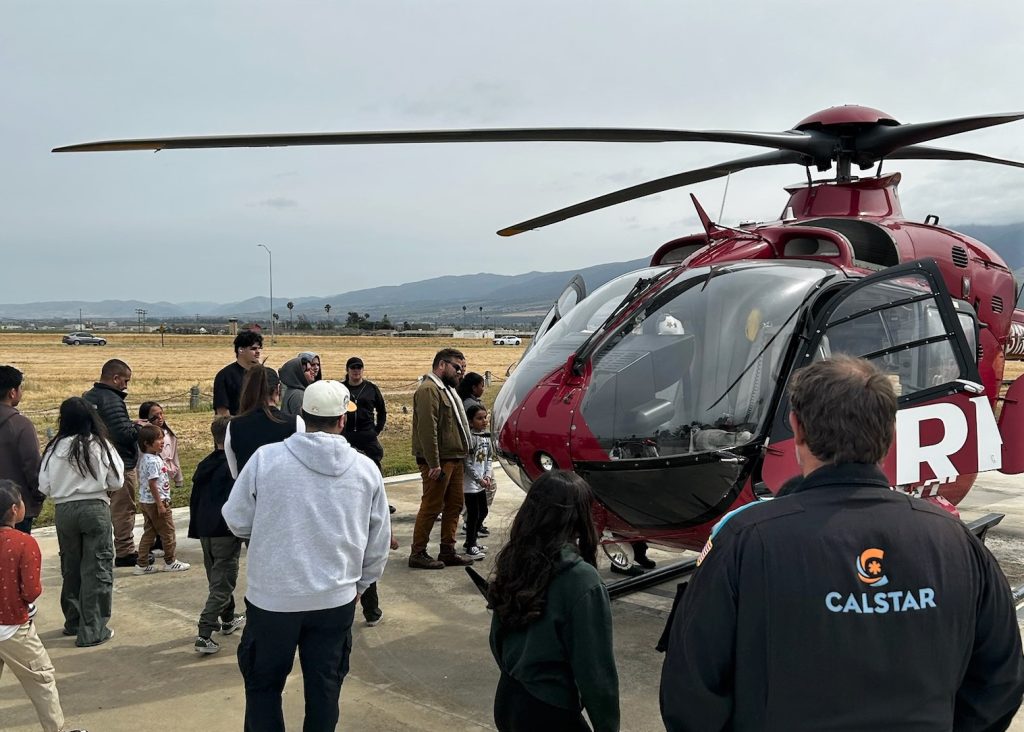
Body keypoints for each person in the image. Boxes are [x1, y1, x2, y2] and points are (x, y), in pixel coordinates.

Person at [659, 355, 1024, 731]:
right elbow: (1000, 679)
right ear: (891, 433)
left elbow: (690, 691)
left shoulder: (744, 541)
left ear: (797, 428)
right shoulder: (955, 542)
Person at [223, 380, 391, 731]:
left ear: (301, 414)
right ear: (342, 421)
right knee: (325, 688)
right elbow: (378, 540)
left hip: (273, 600)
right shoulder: (365, 470)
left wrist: (270, 536)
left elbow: (236, 519)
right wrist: (362, 583)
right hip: (335, 599)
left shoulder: (266, 459)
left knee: (263, 687)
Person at [487, 470, 619, 732]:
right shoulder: (581, 580)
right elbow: (596, 673)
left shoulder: (517, 558)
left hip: (509, 697)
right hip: (549, 709)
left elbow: (496, 638)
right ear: (580, 517)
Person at [0, 481, 88, 732]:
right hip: (12, 626)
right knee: (42, 679)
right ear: (15, 509)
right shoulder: (23, 543)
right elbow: (30, 590)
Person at [38, 397, 123, 647]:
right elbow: (116, 481)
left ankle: (73, 621)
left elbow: (43, 484)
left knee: (71, 565)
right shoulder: (99, 444)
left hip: (64, 509)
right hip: (94, 506)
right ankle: (93, 628)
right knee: (97, 567)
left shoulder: (54, 448)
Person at [409, 348, 474, 569]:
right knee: (432, 505)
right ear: (442, 365)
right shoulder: (429, 389)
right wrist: (433, 463)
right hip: (439, 461)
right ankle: (418, 552)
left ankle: (448, 550)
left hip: (454, 457)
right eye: (457, 367)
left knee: (455, 504)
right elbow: (428, 429)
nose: (461, 373)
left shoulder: (447, 390)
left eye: (463, 368)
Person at [189, 416, 245, 655]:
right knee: (223, 583)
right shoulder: (234, 467)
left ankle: (229, 618)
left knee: (217, 576)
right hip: (224, 530)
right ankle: (204, 632)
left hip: (205, 530)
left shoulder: (205, 464)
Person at [82, 359, 140, 567]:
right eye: (125, 381)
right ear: (115, 378)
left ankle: (100, 548)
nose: (126, 386)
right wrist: (139, 429)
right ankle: (125, 551)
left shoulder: (88, 397)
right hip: (120, 462)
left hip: (95, 461)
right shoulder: (113, 400)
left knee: (101, 507)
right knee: (124, 508)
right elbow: (122, 433)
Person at [224, 366, 302, 479]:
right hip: (285, 492)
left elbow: (235, 474)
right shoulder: (296, 423)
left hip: (250, 493)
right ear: (278, 389)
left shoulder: (233, 426)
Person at [133, 425, 190, 575]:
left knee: (150, 532)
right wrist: (160, 504)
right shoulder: (153, 461)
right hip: (157, 502)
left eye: (162, 437)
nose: (162, 441)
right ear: (146, 443)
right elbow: (153, 484)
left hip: (146, 501)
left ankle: (142, 564)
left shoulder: (147, 458)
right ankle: (170, 561)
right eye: (158, 439)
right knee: (168, 532)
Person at [0, 365, 43, 533]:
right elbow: (32, 466)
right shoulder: (21, 425)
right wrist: (38, 496)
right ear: (12, 392)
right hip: (15, 508)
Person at [342, 356, 387, 470]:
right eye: (353, 367)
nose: (356, 370)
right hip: (347, 435)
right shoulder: (341, 388)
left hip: (367, 435)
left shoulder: (371, 388)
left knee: (373, 467)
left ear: (363, 370)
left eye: (359, 367)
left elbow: (381, 410)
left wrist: (376, 430)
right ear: (347, 370)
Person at [462, 404, 493, 559]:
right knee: (473, 514)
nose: (484, 421)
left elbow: (488, 458)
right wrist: (478, 479)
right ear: (471, 421)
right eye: (479, 418)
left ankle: (471, 540)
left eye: (485, 417)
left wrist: (487, 476)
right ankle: (470, 544)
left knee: (483, 511)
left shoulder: (486, 438)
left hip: (482, 483)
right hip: (470, 485)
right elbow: (466, 463)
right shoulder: (470, 439)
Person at [214, 330, 264, 417]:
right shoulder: (225, 376)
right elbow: (222, 413)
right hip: (237, 427)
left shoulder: (264, 373)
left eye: (259, 348)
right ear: (241, 350)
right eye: (253, 348)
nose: (258, 352)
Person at [138, 401, 183, 491]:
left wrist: (179, 479)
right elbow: (140, 460)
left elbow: (174, 456)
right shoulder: (142, 436)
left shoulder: (169, 433)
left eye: (161, 413)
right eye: (155, 416)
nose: (160, 417)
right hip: (150, 477)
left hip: (166, 475)